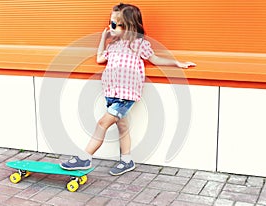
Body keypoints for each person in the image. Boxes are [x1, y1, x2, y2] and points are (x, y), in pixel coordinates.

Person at [60, 3, 196, 176]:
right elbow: (100, 58)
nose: (111, 27)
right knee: (122, 127)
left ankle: (85, 158)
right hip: (111, 94)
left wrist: (176, 63)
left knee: (102, 123)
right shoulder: (113, 46)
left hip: (125, 96)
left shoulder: (138, 45)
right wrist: (104, 37)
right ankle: (127, 160)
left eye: (115, 25)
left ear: (129, 26)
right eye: (111, 23)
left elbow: (155, 59)